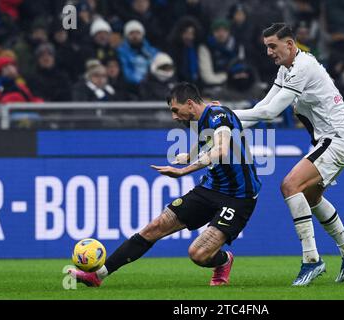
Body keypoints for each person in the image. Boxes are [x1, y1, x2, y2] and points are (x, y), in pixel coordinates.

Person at [69, 82, 262, 287]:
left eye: (175, 110)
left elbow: (221, 149)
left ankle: (224, 260)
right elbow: (209, 140)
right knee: (155, 227)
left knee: (198, 254)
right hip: (210, 189)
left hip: (239, 196)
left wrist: (183, 171)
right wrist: (189, 155)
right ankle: (97, 275)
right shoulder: (199, 119)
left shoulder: (219, 115)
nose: (174, 116)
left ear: (189, 104)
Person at [232, 23, 344, 286]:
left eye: (273, 46)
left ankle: (311, 260)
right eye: (266, 47)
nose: (269, 52)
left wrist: (225, 116)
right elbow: (263, 106)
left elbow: (270, 114)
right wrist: (226, 123)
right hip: (327, 141)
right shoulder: (287, 69)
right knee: (311, 195)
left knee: (290, 185)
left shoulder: (303, 67)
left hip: (337, 140)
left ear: (290, 44)